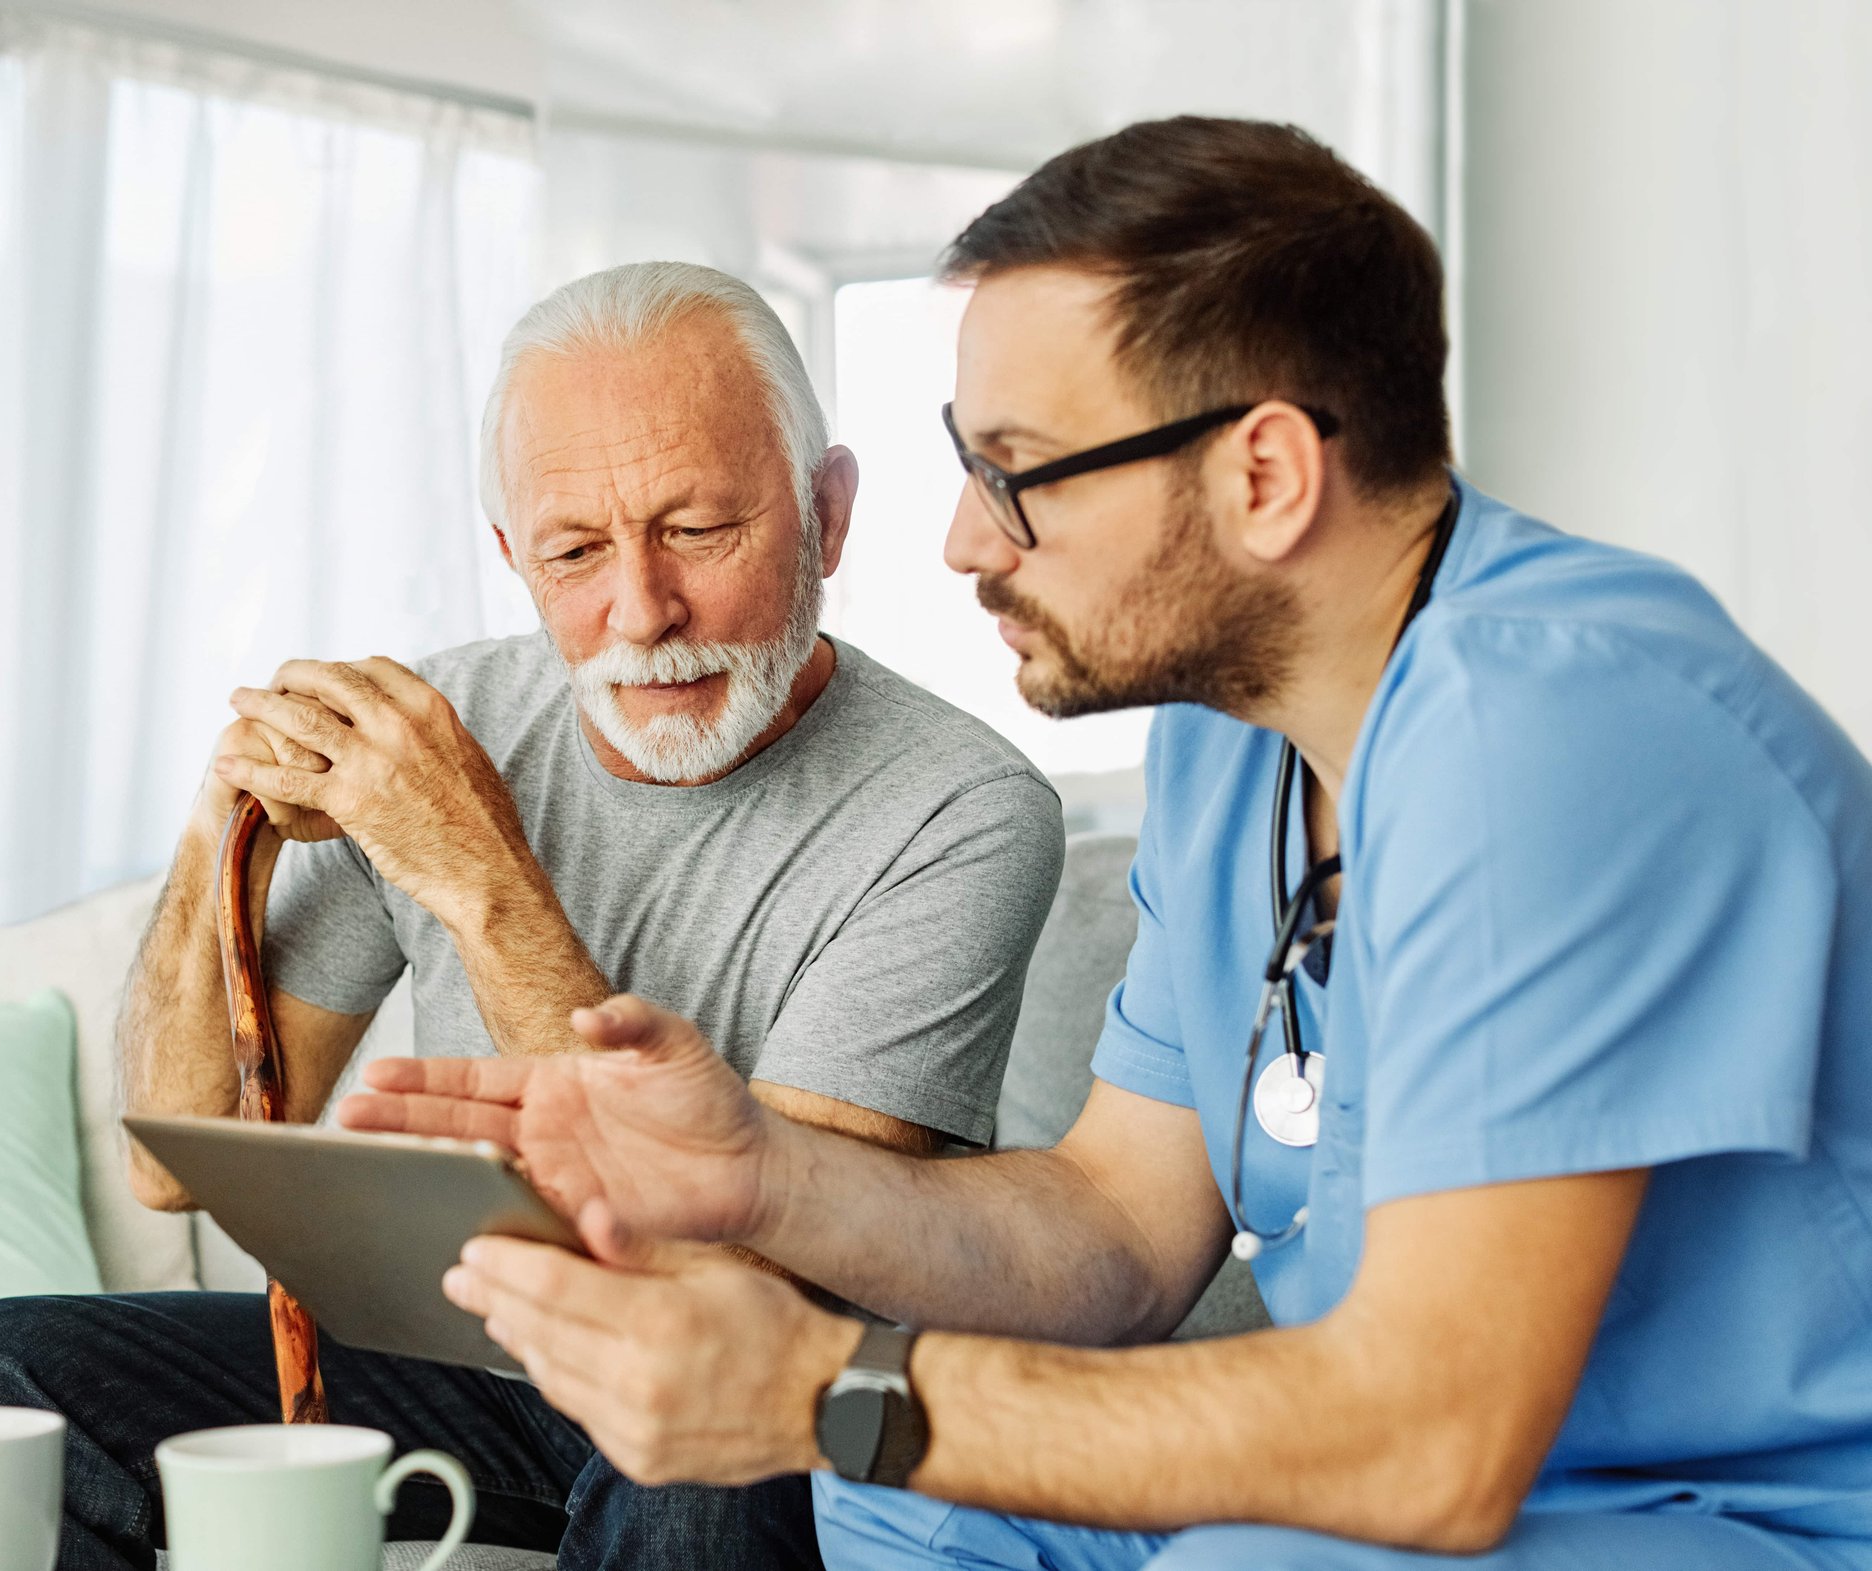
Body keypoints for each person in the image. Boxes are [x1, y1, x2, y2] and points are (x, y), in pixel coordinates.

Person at [338, 117, 1872, 1571]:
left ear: (1262, 476)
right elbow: (1121, 1236)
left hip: (1735, 1515)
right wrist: (760, 1180)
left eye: (1018, 470)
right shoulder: (1231, 738)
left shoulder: (1556, 730)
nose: (962, 541)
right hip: (1437, 1479)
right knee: (892, 1505)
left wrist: (816, 1382)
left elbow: (1434, 1441)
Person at [0, 262, 1065, 1571]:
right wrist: (212, 826)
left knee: (704, 1466)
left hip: (743, 1364)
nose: (641, 611)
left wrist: (473, 869)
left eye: (698, 531)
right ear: (515, 558)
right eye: (576, 552)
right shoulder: (439, 725)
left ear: (827, 514)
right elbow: (181, 1158)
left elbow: (738, 1269)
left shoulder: (963, 809)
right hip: (468, 1358)